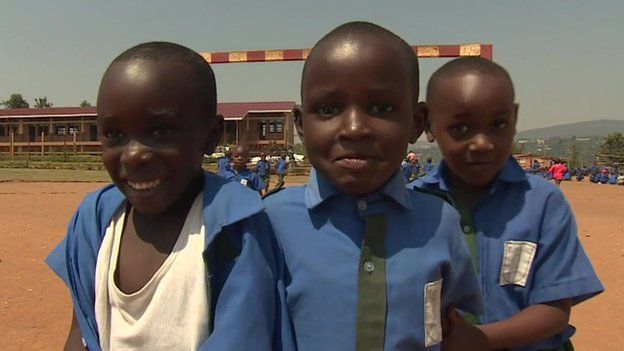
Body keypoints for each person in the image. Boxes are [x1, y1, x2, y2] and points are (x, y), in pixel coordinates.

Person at [45, 42, 283, 351]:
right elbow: (81, 330)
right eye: (115, 134)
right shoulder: (94, 222)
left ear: (211, 135)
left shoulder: (236, 229)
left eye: (160, 132)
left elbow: (244, 337)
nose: (133, 155)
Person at [264, 22, 483, 350]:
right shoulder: (269, 224)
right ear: (300, 125)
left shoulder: (441, 222)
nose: (354, 129)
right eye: (328, 109)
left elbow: (456, 325)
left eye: (381, 108)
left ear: (417, 123)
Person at [411, 56, 604, 351]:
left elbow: (555, 309)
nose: (482, 143)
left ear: (514, 119)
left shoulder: (542, 203)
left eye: (498, 125)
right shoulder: (412, 204)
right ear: (428, 124)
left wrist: (480, 340)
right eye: (461, 128)